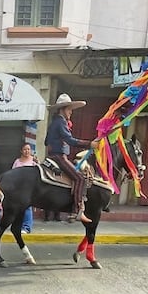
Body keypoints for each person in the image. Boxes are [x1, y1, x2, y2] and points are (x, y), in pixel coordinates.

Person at [44, 93, 99, 223]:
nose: (71, 113)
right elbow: (70, 140)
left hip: (53, 155)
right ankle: (78, 210)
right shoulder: (60, 122)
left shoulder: (55, 122)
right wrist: (89, 144)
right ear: (62, 109)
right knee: (80, 178)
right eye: (69, 110)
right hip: (59, 157)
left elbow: (46, 141)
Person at [12, 144, 37, 232]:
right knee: (17, 207)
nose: (27, 151)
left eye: (28, 149)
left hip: (29, 187)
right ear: (21, 151)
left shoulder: (34, 161)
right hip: (18, 187)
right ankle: (18, 225)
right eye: (25, 149)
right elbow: (12, 174)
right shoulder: (17, 161)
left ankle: (26, 227)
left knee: (27, 207)